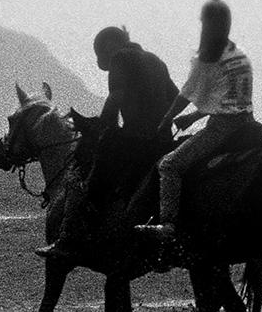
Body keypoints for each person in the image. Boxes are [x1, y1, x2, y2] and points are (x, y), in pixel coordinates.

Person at [35, 26, 176, 259]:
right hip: (163, 141)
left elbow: (114, 99)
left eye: (98, 53)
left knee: (82, 176)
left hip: (135, 140)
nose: (99, 60)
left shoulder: (120, 57)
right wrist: (163, 123)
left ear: (109, 46)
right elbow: (175, 95)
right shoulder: (155, 60)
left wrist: (101, 129)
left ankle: (68, 237)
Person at [136, 0, 257, 247]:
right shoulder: (239, 55)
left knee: (169, 165)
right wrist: (193, 117)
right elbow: (226, 98)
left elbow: (188, 92)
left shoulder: (209, 56)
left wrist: (166, 118)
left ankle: (168, 225)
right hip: (247, 124)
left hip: (222, 128)